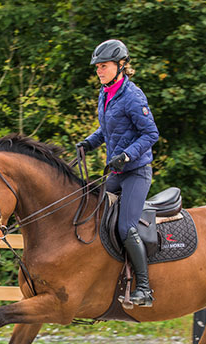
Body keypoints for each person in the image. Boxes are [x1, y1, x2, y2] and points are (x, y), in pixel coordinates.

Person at [76, 39, 159, 307]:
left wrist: (127, 155)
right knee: (92, 212)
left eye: (104, 66)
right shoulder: (105, 93)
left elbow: (150, 134)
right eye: (97, 67)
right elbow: (109, 130)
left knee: (125, 227)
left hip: (136, 172)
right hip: (118, 170)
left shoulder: (133, 96)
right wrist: (89, 141)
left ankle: (144, 288)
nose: (99, 71)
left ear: (121, 66)